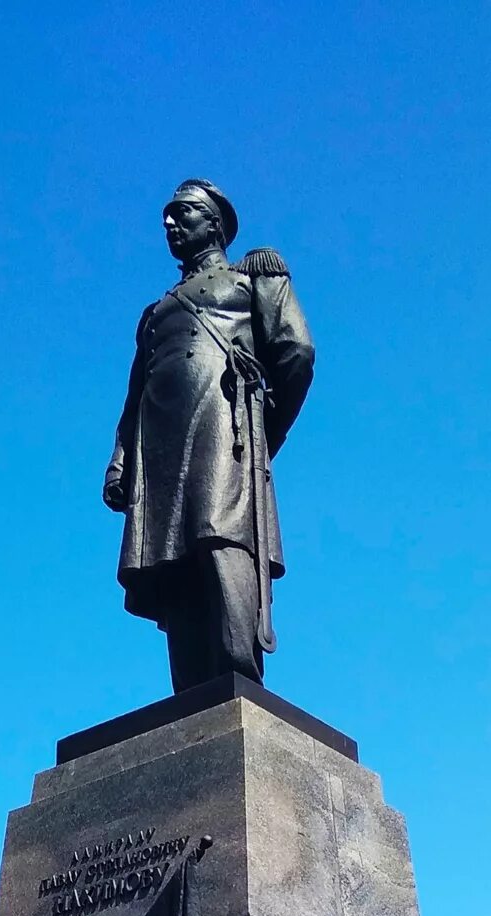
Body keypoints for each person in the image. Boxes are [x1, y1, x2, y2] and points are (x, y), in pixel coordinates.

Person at [104, 179, 316, 691]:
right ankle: (193, 685)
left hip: (225, 427)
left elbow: (296, 352)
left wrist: (267, 427)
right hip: (160, 445)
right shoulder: (154, 314)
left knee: (221, 534)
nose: (170, 224)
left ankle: (237, 667)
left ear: (214, 222)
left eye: (183, 213)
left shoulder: (250, 278)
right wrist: (120, 459)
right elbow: (135, 395)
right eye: (167, 216)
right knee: (172, 554)